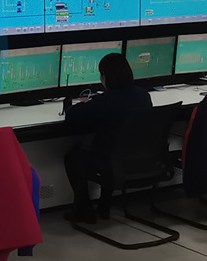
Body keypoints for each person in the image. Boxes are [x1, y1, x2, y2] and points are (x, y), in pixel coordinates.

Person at [62, 53, 153, 223]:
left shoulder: (105, 101)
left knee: (73, 156)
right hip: (140, 162)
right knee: (112, 148)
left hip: (113, 165)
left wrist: (77, 105)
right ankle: (104, 205)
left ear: (105, 76)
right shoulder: (143, 95)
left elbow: (73, 116)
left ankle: (84, 211)